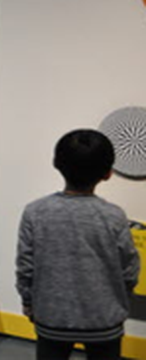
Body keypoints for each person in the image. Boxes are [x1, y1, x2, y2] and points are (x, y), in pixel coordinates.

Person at [16, 129, 140, 360]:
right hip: (105, 320)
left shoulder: (35, 212)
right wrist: (120, 299)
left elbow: (26, 265)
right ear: (108, 173)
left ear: (56, 163)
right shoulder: (114, 216)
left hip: (51, 317)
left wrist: (28, 301)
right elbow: (129, 268)